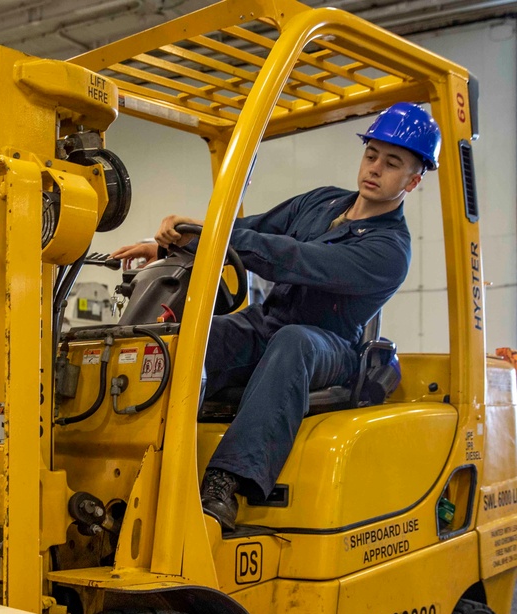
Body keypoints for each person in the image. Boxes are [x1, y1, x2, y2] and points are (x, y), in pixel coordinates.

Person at [111, 102, 442, 532]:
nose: (375, 168)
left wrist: (205, 233)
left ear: (413, 181)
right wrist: (167, 246)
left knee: (295, 343)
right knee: (193, 336)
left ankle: (223, 483)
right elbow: (255, 228)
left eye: (392, 163)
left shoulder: (389, 250)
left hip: (330, 345)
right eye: (372, 155)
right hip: (268, 323)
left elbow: (295, 259)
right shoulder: (322, 202)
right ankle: (139, 459)